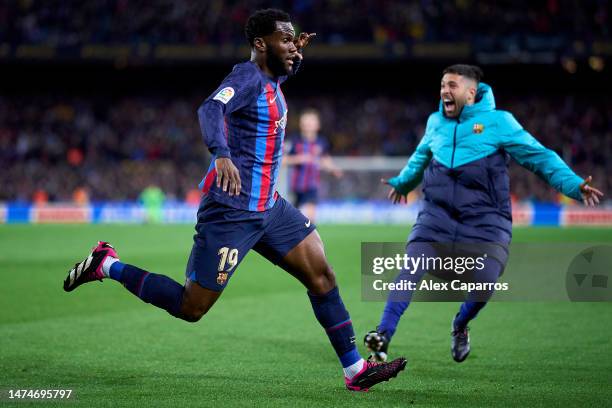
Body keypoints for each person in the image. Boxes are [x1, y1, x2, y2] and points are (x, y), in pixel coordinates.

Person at [63, 9, 406, 392]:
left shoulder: (273, 77)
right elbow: (210, 108)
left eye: (295, 40)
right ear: (260, 44)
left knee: (322, 277)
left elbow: (279, 75)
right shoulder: (246, 77)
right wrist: (220, 152)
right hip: (230, 213)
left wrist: (291, 52)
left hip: (270, 208)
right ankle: (107, 264)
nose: (294, 47)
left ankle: (355, 370)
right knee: (191, 307)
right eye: (285, 40)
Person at [364, 64, 604, 363]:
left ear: (471, 92)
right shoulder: (435, 122)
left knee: (485, 284)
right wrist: (402, 182)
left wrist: (573, 184)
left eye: (451, 85)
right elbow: (419, 158)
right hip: (436, 219)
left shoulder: (499, 122)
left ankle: (460, 325)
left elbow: (539, 158)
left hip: (486, 222)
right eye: (442, 85)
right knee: (411, 266)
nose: (444, 91)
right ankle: (383, 335)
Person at [284, 108, 342, 221]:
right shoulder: (295, 141)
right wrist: (300, 158)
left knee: (310, 218)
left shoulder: (321, 142)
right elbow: (283, 160)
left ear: (317, 125)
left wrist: (333, 169)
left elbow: (325, 159)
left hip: (312, 186)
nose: (308, 125)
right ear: (301, 124)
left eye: (311, 122)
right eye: (306, 123)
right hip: (296, 187)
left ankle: (310, 236)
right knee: (296, 221)